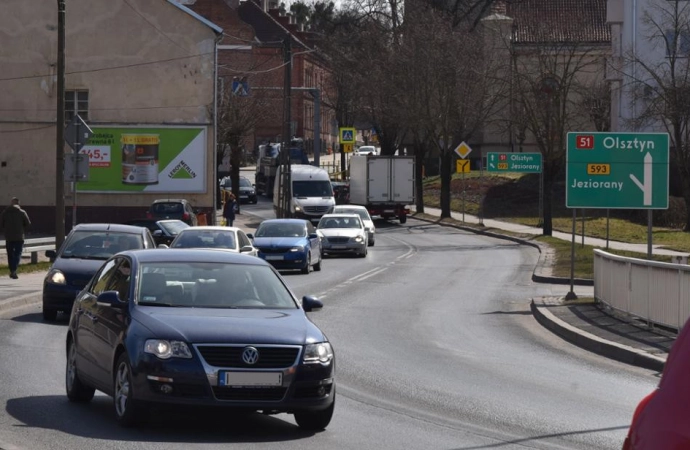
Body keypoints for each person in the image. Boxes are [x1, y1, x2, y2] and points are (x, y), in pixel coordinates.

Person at [0, 197, 31, 279]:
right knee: (17, 254)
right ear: (18, 203)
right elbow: (28, 223)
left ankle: (11, 270)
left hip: (9, 237)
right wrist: (21, 228)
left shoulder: (5, 212)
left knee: (10, 254)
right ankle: (13, 270)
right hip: (19, 237)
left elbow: (1, 223)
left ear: (11, 203)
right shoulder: (22, 212)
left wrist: (6, 229)